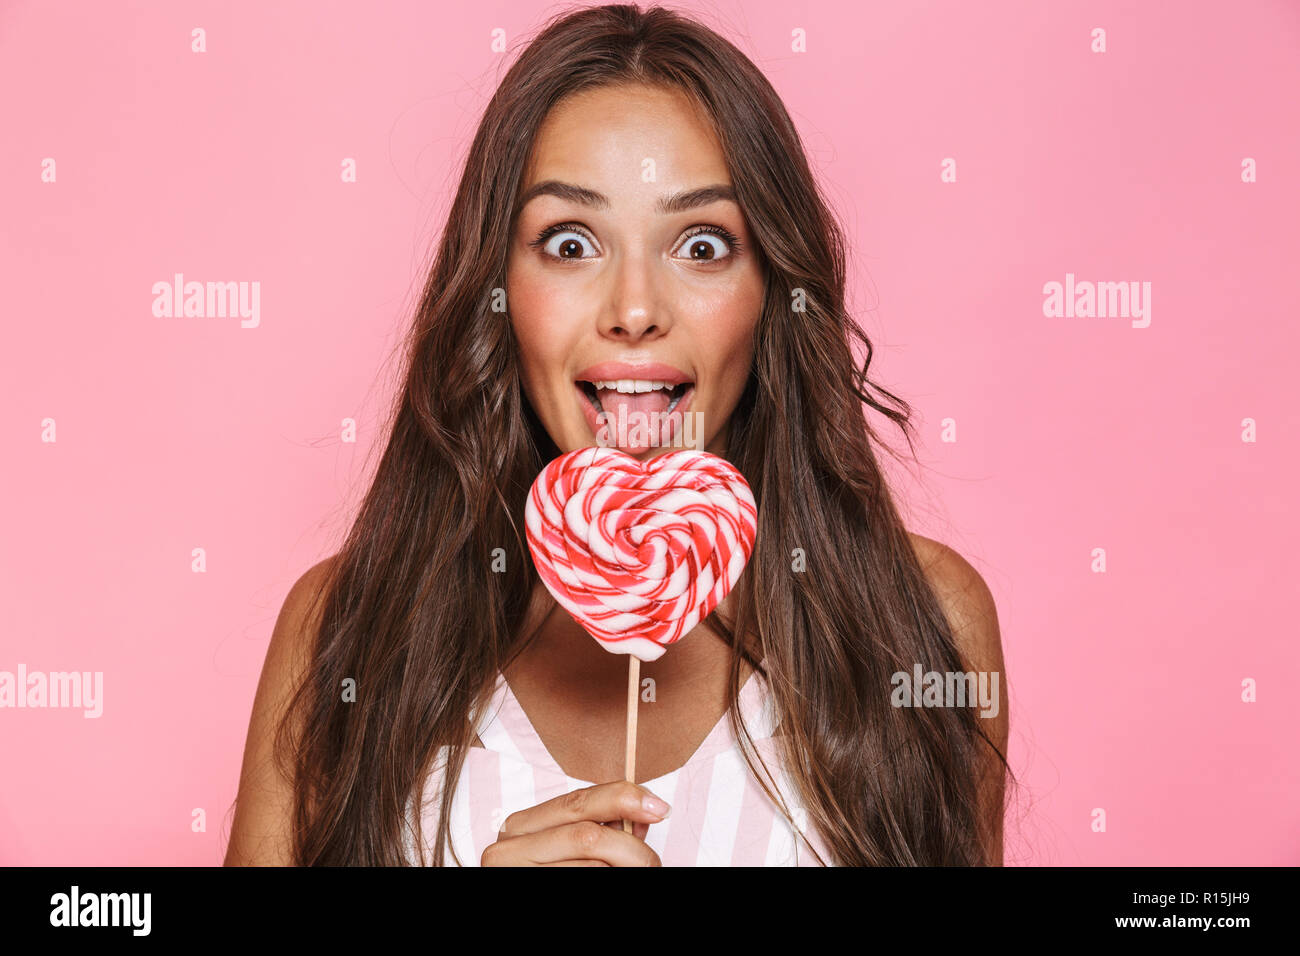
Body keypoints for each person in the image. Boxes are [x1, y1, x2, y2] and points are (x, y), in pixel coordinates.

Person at [225, 3, 1010, 867]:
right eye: (570, 242)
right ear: (497, 288)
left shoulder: (919, 622)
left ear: (773, 290)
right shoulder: (346, 626)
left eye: (702, 246)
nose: (634, 311)